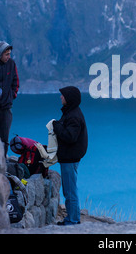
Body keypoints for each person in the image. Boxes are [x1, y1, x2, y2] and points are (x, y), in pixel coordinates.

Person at [53, 86, 88, 226]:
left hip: (69, 158)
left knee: (70, 191)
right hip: (69, 157)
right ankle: (72, 218)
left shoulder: (73, 116)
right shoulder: (72, 112)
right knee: (69, 189)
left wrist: (56, 126)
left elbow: (70, 137)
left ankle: (72, 220)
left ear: (69, 98)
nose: (61, 97)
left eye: (63, 95)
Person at [0, 41, 19, 157]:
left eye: (9, 54)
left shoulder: (11, 64)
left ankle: (3, 162)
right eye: (6, 54)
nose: (9, 56)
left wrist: (12, 95)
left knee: (4, 138)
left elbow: (15, 81)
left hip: (6, 107)